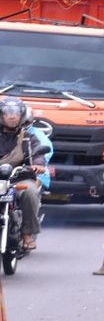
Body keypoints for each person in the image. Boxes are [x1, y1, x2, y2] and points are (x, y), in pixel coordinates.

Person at [0, 98, 51, 250]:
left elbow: (38, 153)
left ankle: (28, 233)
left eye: (15, 113)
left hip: (19, 178)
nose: (11, 116)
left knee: (30, 192)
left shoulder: (29, 137)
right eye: (7, 113)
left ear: (22, 116)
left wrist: (38, 165)